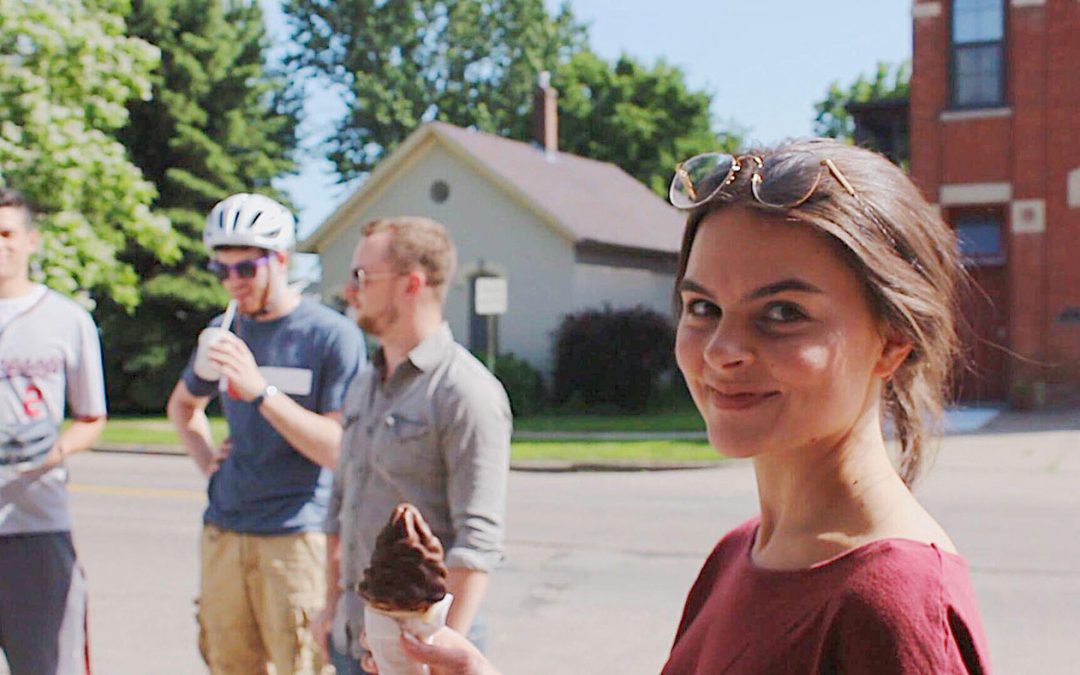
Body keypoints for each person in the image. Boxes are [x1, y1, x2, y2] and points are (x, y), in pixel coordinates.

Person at [389, 139, 993, 674]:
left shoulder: (896, 605)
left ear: (891, 341)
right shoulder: (738, 553)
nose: (723, 351)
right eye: (702, 307)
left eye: (782, 313)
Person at [166, 193, 365, 675]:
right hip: (225, 530)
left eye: (246, 269)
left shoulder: (329, 336)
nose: (233, 283)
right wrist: (208, 461)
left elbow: (342, 450)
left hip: (296, 535)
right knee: (227, 662)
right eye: (222, 271)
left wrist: (260, 391)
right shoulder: (223, 331)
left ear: (280, 260)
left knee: (304, 664)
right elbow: (182, 407)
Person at [310, 216, 511, 675]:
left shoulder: (466, 392)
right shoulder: (365, 382)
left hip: (421, 652)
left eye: (362, 276)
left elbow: (475, 543)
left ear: (411, 284)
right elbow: (340, 505)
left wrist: (438, 652)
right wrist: (329, 610)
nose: (349, 289)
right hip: (352, 639)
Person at [0, 187, 107, 674]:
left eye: (7, 233)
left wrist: (52, 452)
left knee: (45, 666)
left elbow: (92, 417)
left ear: (31, 240)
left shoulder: (67, 319)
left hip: (37, 525)